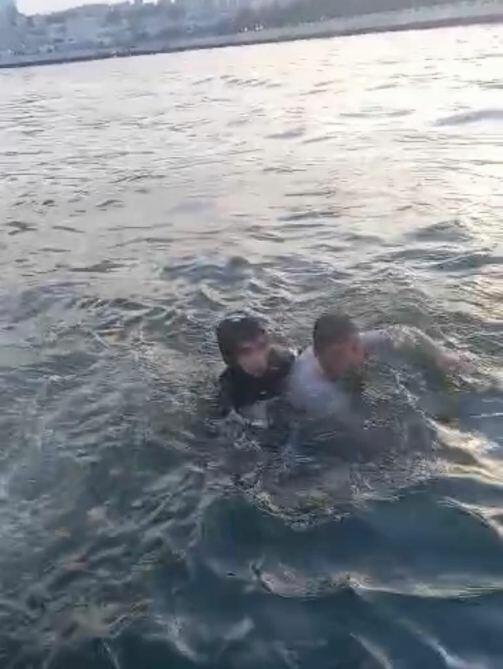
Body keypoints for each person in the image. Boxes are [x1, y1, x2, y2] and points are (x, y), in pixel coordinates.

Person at [287, 312, 468, 416]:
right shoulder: (314, 394)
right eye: (338, 354)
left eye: (355, 347)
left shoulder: (355, 342)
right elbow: (353, 427)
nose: (352, 358)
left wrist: (441, 355)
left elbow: (404, 333)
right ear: (318, 354)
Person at [215, 313, 295, 420]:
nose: (259, 359)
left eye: (262, 346)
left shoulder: (287, 361)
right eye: (246, 352)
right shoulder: (228, 389)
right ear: (230, 358)